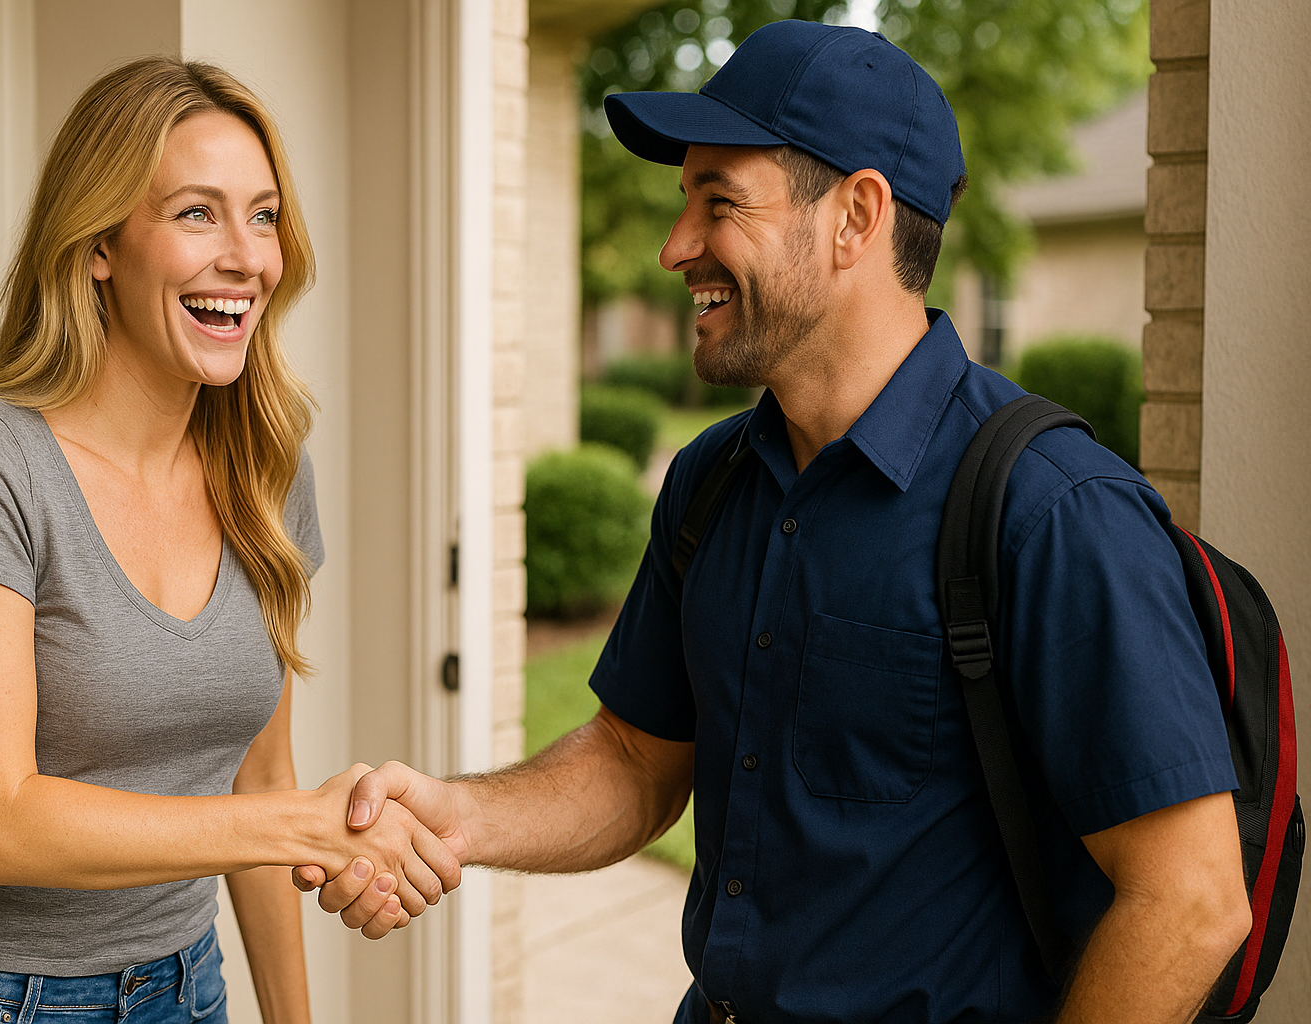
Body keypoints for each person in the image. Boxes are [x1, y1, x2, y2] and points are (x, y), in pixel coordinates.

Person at [294, 20, 1252, 1024]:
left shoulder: (1052, 510)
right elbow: (635, 759)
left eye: (719, 202)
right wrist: (461, 813)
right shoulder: (714, 481)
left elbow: (1188, 900)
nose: (676, 249)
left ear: (856, 215)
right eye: (684, 205)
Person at [0, 57, 457, 1024]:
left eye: (263, 215)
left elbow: (259, 772)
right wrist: (307, 828)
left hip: (181, 985)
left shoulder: (267, 469)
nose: (247, 256)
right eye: (197, 213)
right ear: (99, 247)